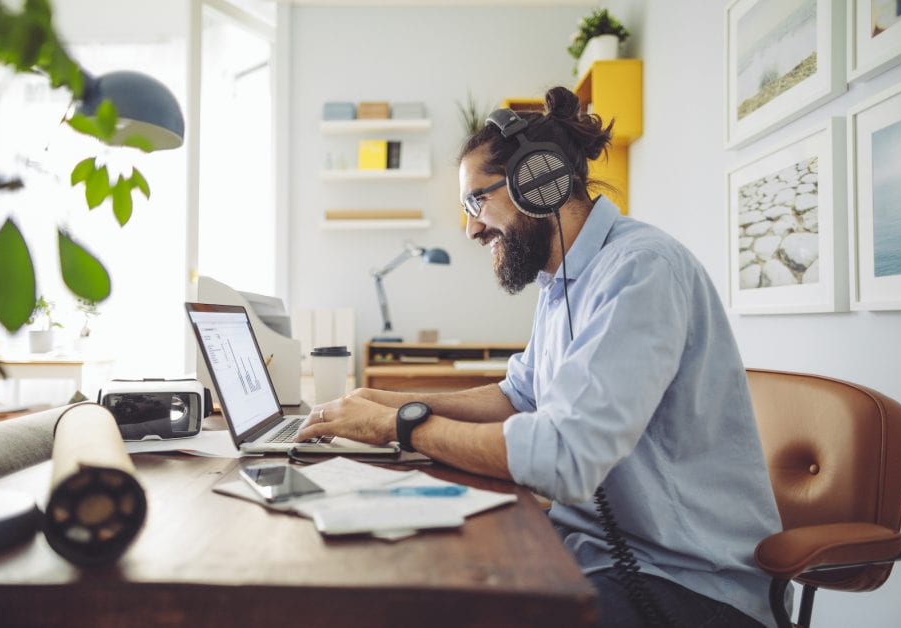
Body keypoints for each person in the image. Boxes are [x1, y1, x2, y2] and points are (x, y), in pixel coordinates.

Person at [297, 86, 780, 627]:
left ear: (539, 181)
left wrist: (400, 425)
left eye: (476, 201)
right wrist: (379, 401)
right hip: (592, 552)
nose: (472, 228)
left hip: (685, 582)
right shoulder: (561, 283)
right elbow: (517, 396)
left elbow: (563, 458)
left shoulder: (641, 269)